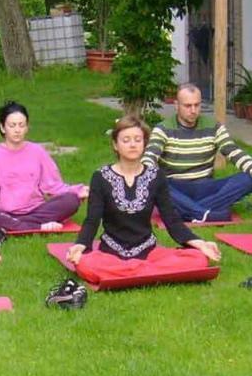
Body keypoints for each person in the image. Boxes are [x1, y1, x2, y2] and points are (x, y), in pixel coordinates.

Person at [67, 115, 221, 280]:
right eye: (126, 140)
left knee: (198, 259)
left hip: (149, 251)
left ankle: (130, 272)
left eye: (137, 140)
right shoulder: (100, 177)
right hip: (111, 254)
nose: (132, 144)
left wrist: (199, 243)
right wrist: (80, 245)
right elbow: (92, 220)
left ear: (144, 144)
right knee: (85, 264)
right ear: (115, 145)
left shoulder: (156, 176)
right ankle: (148, 272)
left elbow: (172, 219)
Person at [141, 83, 252, 222]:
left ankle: (187, 212)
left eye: (197, 105)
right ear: (176, 105)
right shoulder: (163, 129)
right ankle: (205, 213)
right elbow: (149, 158)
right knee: (154, 181)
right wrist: (146, 173)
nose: (193, 110)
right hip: (176, 188)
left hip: (206, 187)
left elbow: (233, 152)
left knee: (248, 179)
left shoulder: (214, 127)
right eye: (188, 106)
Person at [0, 100, 87, 232]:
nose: (17, 130)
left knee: (71, 201)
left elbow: (52, 185)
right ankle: (38, 227)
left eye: (21, 125)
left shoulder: (37, 151)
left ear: (26, 127)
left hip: (36, 211)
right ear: (2, 127)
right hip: (5, 213)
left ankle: (16, 225)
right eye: (12, 126)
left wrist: (77, 191)